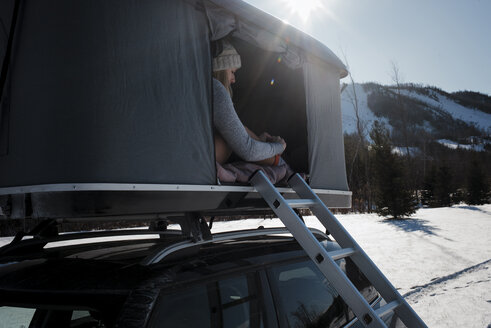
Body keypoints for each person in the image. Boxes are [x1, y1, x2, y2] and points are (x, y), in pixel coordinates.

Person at [213, 40, 286, 166]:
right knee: (233, 138)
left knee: (242, 131)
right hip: (195, 164)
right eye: (232, 72)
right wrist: (279, 146)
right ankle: (282, 166)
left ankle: (281, 164)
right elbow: (248, 150)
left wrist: (260, 142)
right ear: (220, 68)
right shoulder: (215, 88)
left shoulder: (201, 88)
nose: (234, 80)